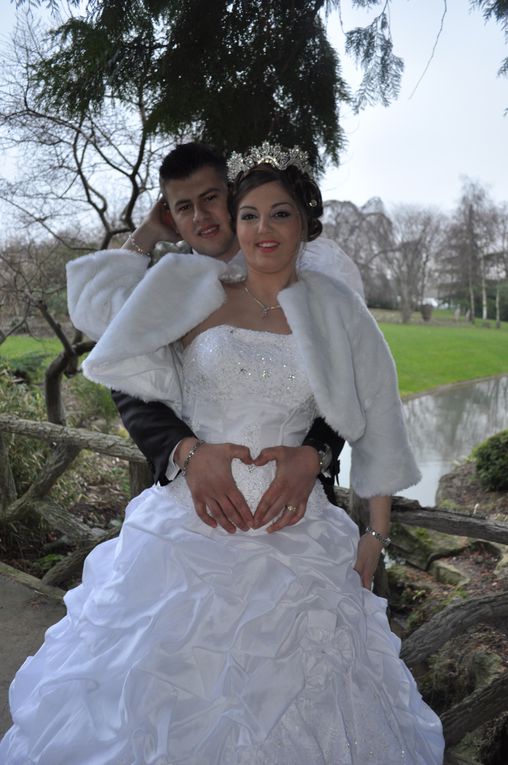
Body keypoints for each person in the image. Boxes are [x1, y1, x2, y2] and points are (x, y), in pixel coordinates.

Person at [0, 144, 445, 764]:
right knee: (157, 681)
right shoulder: (190, 287)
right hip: (191, 526)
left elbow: (375, 416)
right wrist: (151, 232)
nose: (263, 228)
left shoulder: (335, 306)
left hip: (297, 532)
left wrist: (373, 530)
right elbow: (112, 336)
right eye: (251, 215)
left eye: (280, 214)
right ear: (239, 223)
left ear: (304, 224)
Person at [69, 142, 365, 530]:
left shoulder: (309, 271)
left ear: (233, 195)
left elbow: (351, 376)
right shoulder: (169, 289)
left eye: (210, 198)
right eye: (183, 207)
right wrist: (186, 452)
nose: (201, 216)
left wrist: (316, 455)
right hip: (195, 510)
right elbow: (121, 364)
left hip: (297, 512)